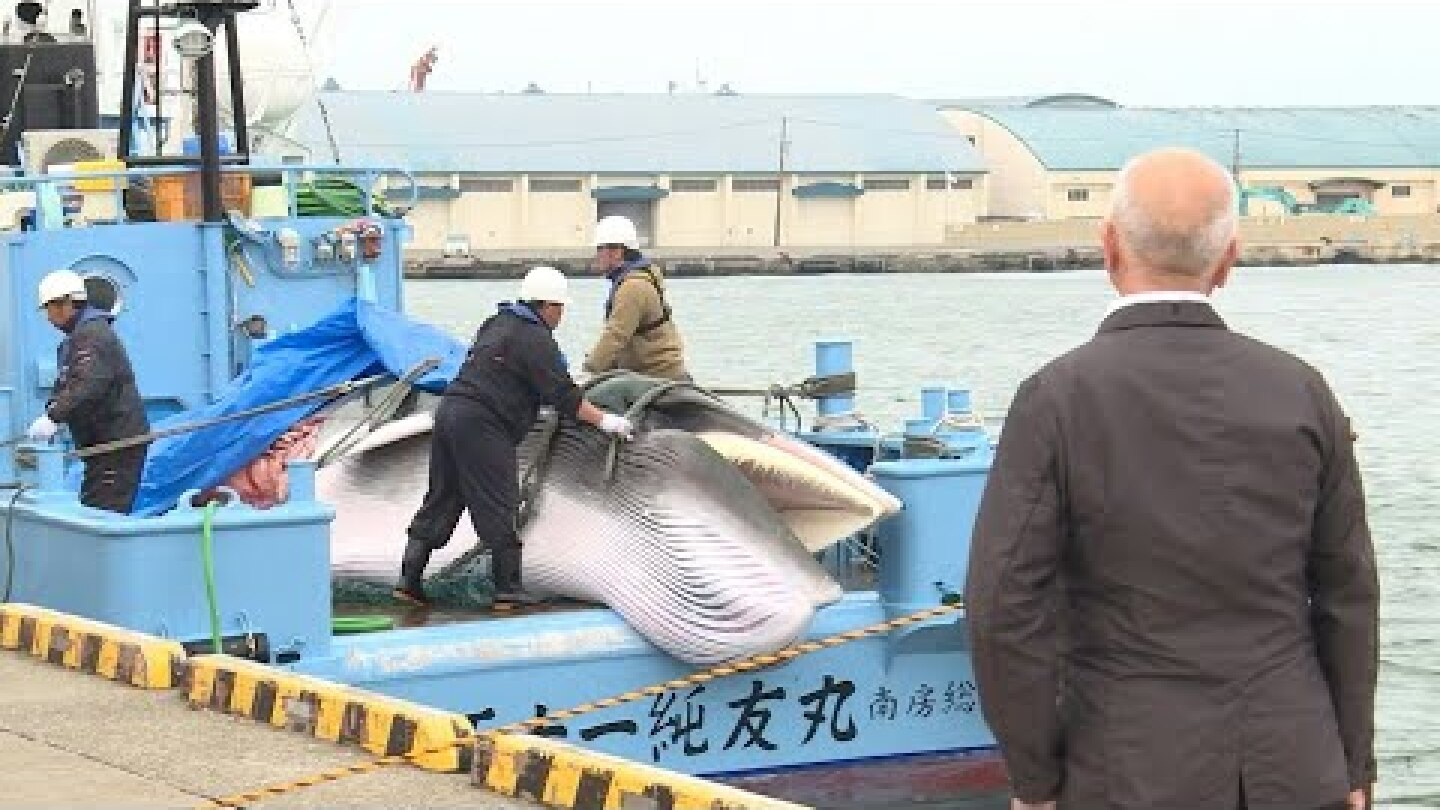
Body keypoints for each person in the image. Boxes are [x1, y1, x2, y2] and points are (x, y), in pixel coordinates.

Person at [964, 148, 1378, 810]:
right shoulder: (1301, 392)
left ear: (1108, 246)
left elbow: (1002, 607)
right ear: (1228, 259)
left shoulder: (1056, 400)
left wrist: (1036, 779)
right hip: (1297, 766)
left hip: (1125, 768)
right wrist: (1352, 763)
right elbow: (1348, 597)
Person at [395, 266, 635, 608]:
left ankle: (408, 580)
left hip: (450, 414)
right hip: (482, 425)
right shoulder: (535, 339)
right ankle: (508, 590)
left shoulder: (496, 323)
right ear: (547, 306)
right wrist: (606, 421)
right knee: (499, 503)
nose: (561, 315)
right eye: (560, 308)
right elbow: (565, 397)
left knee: (444, 497)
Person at [27, 270, 150, 513]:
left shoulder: (92, 335)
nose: (48, 317)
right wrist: (51, 413)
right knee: (95, 507)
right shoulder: (80, 337)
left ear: (67, 304)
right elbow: (68, 382)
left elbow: (87, 384)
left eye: (49, 309)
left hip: (116, 445)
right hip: (103, 447)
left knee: (104, 513)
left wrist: (54, 417)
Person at [581, 215, 690, 381]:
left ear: (616, 251)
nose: (597, 256)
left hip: (655, 375)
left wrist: (588, 371)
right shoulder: (640, 278)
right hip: (659, 373)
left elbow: (616, 336)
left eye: (599, 249)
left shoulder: (632, 287)